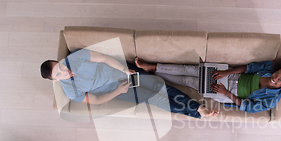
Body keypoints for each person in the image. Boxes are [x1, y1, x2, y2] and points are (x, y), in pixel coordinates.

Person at [40, 49, 218, 119]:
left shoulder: (74, 58)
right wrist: (117, 91)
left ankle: (197, 109)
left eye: (61, 66)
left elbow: (103, 58)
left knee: (159, 86)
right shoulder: (71, 91)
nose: (64, 71)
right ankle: (197, 110)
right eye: (59, 74)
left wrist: (124, 70)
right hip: (118, 90)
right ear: (55, 80)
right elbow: (95, 100)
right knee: (155, 98)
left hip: (122, 71)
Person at [134, 56, 281, 113]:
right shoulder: (269, 68)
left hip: (228, 92)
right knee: (191, 69)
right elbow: (250, 67)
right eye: (276, 74)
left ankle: (154, 72)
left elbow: (247, 106)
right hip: (230, 76)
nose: (274, 78)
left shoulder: (272, 100)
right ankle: (153, 67)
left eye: (279, 80)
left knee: (189, 81)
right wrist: (227, 72)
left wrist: (225, 93)